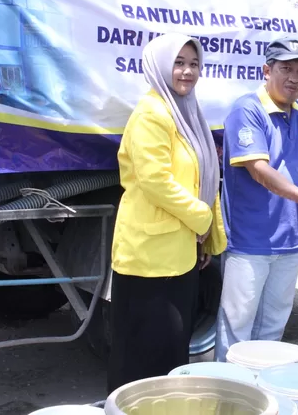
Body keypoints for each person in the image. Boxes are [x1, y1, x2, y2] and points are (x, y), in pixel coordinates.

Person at [108, 33, 226, 393]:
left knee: (170, 356)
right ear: (160, 65)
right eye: (178, 62)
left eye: (193, 63)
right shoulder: (153, 113)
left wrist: (207, 237)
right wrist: (202, 220)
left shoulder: (186, 111)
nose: (187, 71)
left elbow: (204, 176)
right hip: (149, 260)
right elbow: (156, 181)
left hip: (179, 254)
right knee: (142, 361)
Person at [216, 37, 298, 362]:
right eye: (286, 69)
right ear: (267, 70)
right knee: (236, 331)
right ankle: (230, 402)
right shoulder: (247, 110)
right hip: (250, 241)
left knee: (272, 333)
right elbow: (258, 170)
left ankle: (263, 401)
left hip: (290, 241)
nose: (294, 77)